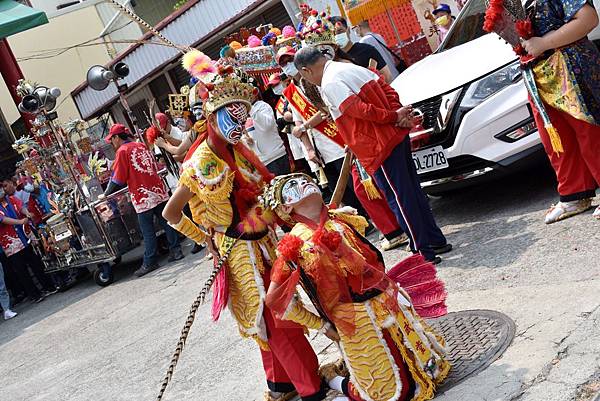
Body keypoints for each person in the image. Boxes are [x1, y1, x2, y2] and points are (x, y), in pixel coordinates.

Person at [163, 52, 326, 401]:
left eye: (243, 116)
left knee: (271, 316)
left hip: (263, 241)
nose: (240, 124)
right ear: (212, 116)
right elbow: (171, 213)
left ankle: (279, 384)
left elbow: (264, 193)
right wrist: (205, 237)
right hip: (239, 253)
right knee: (276, 316)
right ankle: (310, 387)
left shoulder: (239, 150)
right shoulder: (201, 164)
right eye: (232, 117)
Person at [262, 173, 450, 401]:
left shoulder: (342, 219)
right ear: (285, 208)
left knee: (429, 371)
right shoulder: (293, 245)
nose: (305, 183)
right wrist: (321, 326)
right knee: (393, 395)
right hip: (354, 318)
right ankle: (335, 380)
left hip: (385, 300)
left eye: (307, 179)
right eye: (293, 185)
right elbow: (275, 299)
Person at [294, 47, 452, 264]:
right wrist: (398, 117)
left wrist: (393, 116)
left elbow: (361, 111)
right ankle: (435, 240)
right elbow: (388, 91)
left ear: (306, 71)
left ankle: (422, 250)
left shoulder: (330, 82)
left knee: (400, 198)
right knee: (412, 192)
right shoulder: (348, 68)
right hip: (392, 136)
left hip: (378, 145)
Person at [520, 0, 600, 223]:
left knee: (589, 130)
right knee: (554, 137)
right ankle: (575, 194)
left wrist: (545, 42)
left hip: (571, 64)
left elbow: (588, 18)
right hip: (537, 72)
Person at [277, 46, 366, 216]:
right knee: (339, 189)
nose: (287, 66)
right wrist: (309, 149)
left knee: (355, 184)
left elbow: (324, 110)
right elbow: (297, 121)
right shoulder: (290, 91)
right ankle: (361, 220)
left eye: (289, 60)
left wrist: (304, 126)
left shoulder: (314, 80)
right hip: (319, 149)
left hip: (337, 140)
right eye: (283, 64)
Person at [103, 124, 184, 277]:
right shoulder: (140, 145)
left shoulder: (122, 151)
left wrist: (106, 194)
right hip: (158, 189)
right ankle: (177, 251)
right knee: (167, 223)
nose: (112, 143)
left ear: (117, 137)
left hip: (143, 195)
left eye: (112, 139)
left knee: (147, 231)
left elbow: (118, 179)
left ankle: (150, 261)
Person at [0, 181, 57, 303]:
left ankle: (48, 286)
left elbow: (21, 207)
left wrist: (27, 213)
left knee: (35, 262)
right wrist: (20, 222)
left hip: (25, 236)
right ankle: (34, 294)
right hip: (11, 243)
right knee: (22, 271)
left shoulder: (11, 199)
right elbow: (4, 219)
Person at [329, 16, 394, 83]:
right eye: (333, 34)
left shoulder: (367, 50)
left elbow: (387, 77)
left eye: (340, 31)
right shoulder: (336, 62)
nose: (337, 36)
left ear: (348, 30)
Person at [244, 93, 291, 175]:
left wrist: (251, 109)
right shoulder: (241, 112)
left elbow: (267, 126)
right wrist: (245, 139)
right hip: (259, 162)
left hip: (276, 156)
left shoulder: (262, 106)